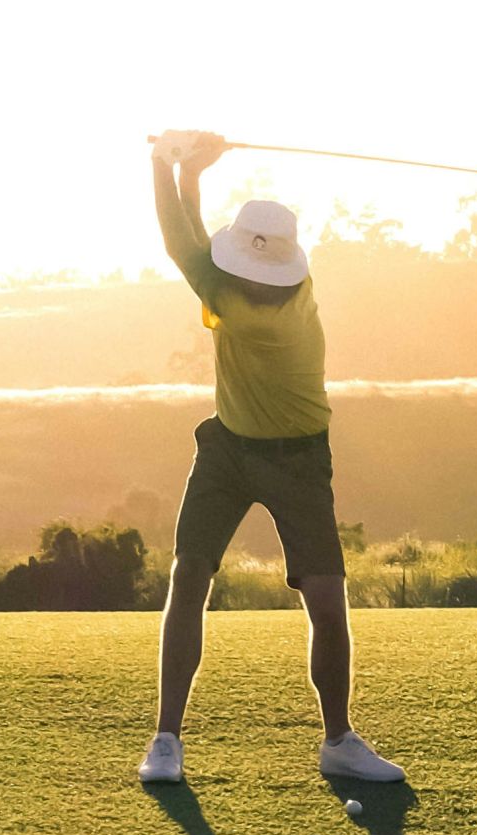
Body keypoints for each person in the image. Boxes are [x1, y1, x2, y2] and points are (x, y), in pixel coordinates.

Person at [137, 129, 403, 785]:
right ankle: (166, 740)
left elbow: (181, 240)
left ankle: (338, 742)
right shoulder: (279, 279)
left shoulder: (237, 299)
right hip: (228, 448)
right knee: (189, 578)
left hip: (297, 460)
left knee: (326, 601)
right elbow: (192, 240)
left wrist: (165, 163)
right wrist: (191, 172)